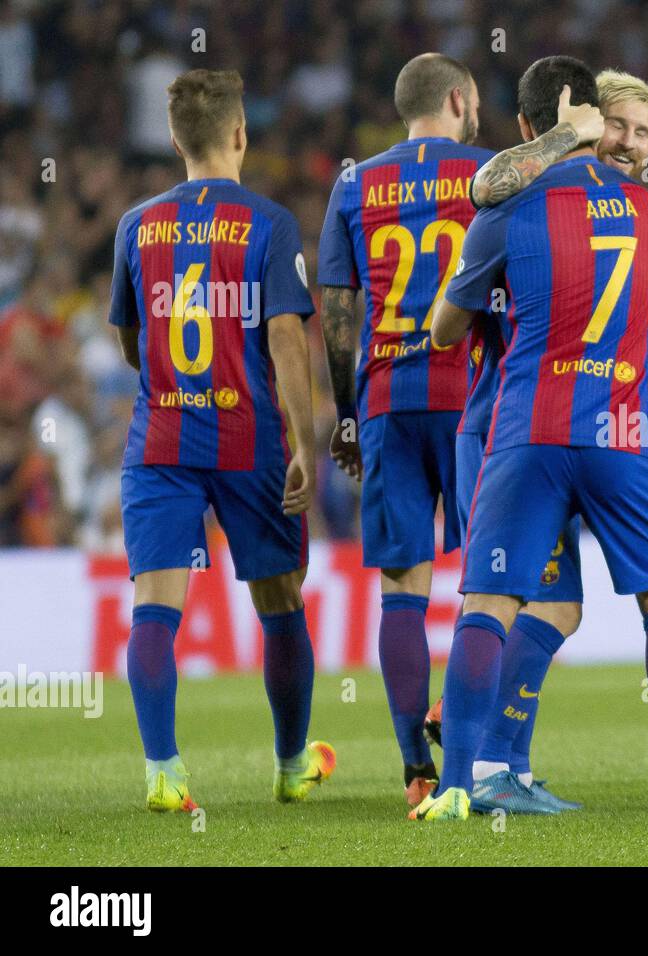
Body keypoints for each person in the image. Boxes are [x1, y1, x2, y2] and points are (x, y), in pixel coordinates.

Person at [416, 55, 648, 821]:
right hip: (619, 429)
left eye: (642, 131)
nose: (630, 141)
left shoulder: (507, 209)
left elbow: (444, 331)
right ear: (589, 121)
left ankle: (457, 784)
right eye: (618, 125)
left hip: (526, 424)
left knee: (489, 604)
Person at [108, 69, 331, 811]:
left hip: (160, 439)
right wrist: (304, 440)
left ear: (174, 140)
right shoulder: (269, 223)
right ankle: (294, 763)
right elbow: (286, 342)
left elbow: (130, 343)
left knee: (154, 609)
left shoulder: (136, 225)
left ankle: (164, 773)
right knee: (280, 603)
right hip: (249, 439)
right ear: (241, 133)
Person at [317, 53, 503, 807]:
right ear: (459, 100)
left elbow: (337, 311)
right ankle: (461, 736)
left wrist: (349, 417)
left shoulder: (356, 182)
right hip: (472, 397)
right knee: (490, 582)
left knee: (403, 585)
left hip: (389, 398)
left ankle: (414, 773)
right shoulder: (493, 172)